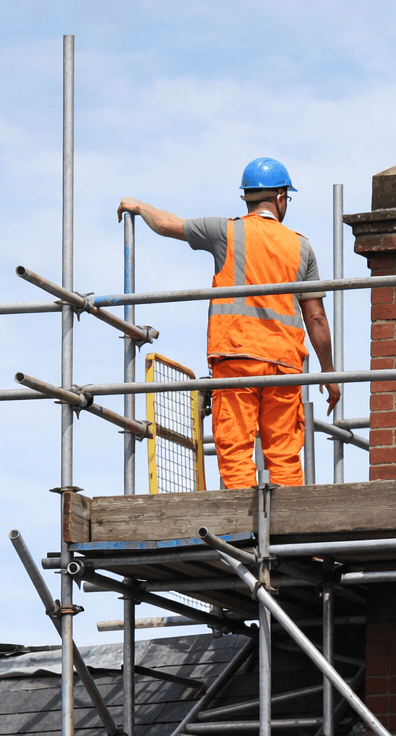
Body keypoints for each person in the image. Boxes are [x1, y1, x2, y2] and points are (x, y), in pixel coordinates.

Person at [117, 158, 338, 489]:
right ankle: (291, 529)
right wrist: (330, 373)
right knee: (284, 453)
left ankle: (244, 532)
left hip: (237, 359)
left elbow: (165, 224)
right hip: (284, 365)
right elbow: (316, 316)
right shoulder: (301, 246)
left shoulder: (226, 231)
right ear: (280, 197)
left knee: (235, 449)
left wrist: (138, 205)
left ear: (246, 197)